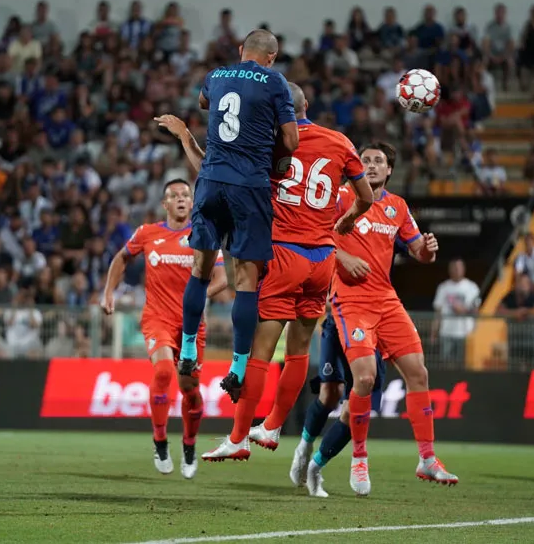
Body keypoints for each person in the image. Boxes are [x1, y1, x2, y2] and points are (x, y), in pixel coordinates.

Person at [188, 82, 373, 461]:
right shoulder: (340, 141)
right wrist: (348, 220)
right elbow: (366, 197)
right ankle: (272, 427)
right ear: (307, 105)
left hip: (283, 253)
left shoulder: (267, 143)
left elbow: (219, 174)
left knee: (260, 352)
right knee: (299, 351)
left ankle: (238, 438)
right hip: (322, 258)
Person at [303, 142, 451, 497]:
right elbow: (316, 237)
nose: (370, 165)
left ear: (388, 171)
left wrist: (428, 252)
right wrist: (343, 259)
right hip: (349, 300)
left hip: (386, 300)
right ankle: (358, 457)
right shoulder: (339, 197)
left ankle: (427, 458)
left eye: (377, 161)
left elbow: (417, 251)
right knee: (365, 379)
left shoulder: (398, 207)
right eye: (364, 160)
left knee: (419, 372)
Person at [175, 29, 298, 400]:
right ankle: (238, 369)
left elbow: (202, 102)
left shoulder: (216, 75)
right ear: (272, 58)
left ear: (242, 50)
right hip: (250, 185)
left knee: (200, 268)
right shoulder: (276, 82)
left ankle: (187, 350)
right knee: (246, 279)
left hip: (211, 179)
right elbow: (291, 141)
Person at [102, 179, 228, 479]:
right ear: (165, 204)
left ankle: (189, 444)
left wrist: (197, 297)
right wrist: (108, 291)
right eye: (175, 195)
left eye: (186, 195)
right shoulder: (148, 233)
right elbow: (122, 258)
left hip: (192, 324)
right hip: (157, 317)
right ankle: (160, 440)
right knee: (162, 373)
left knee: (190, 390)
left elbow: (223, 279)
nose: (182, 199)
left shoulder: (203, 233)